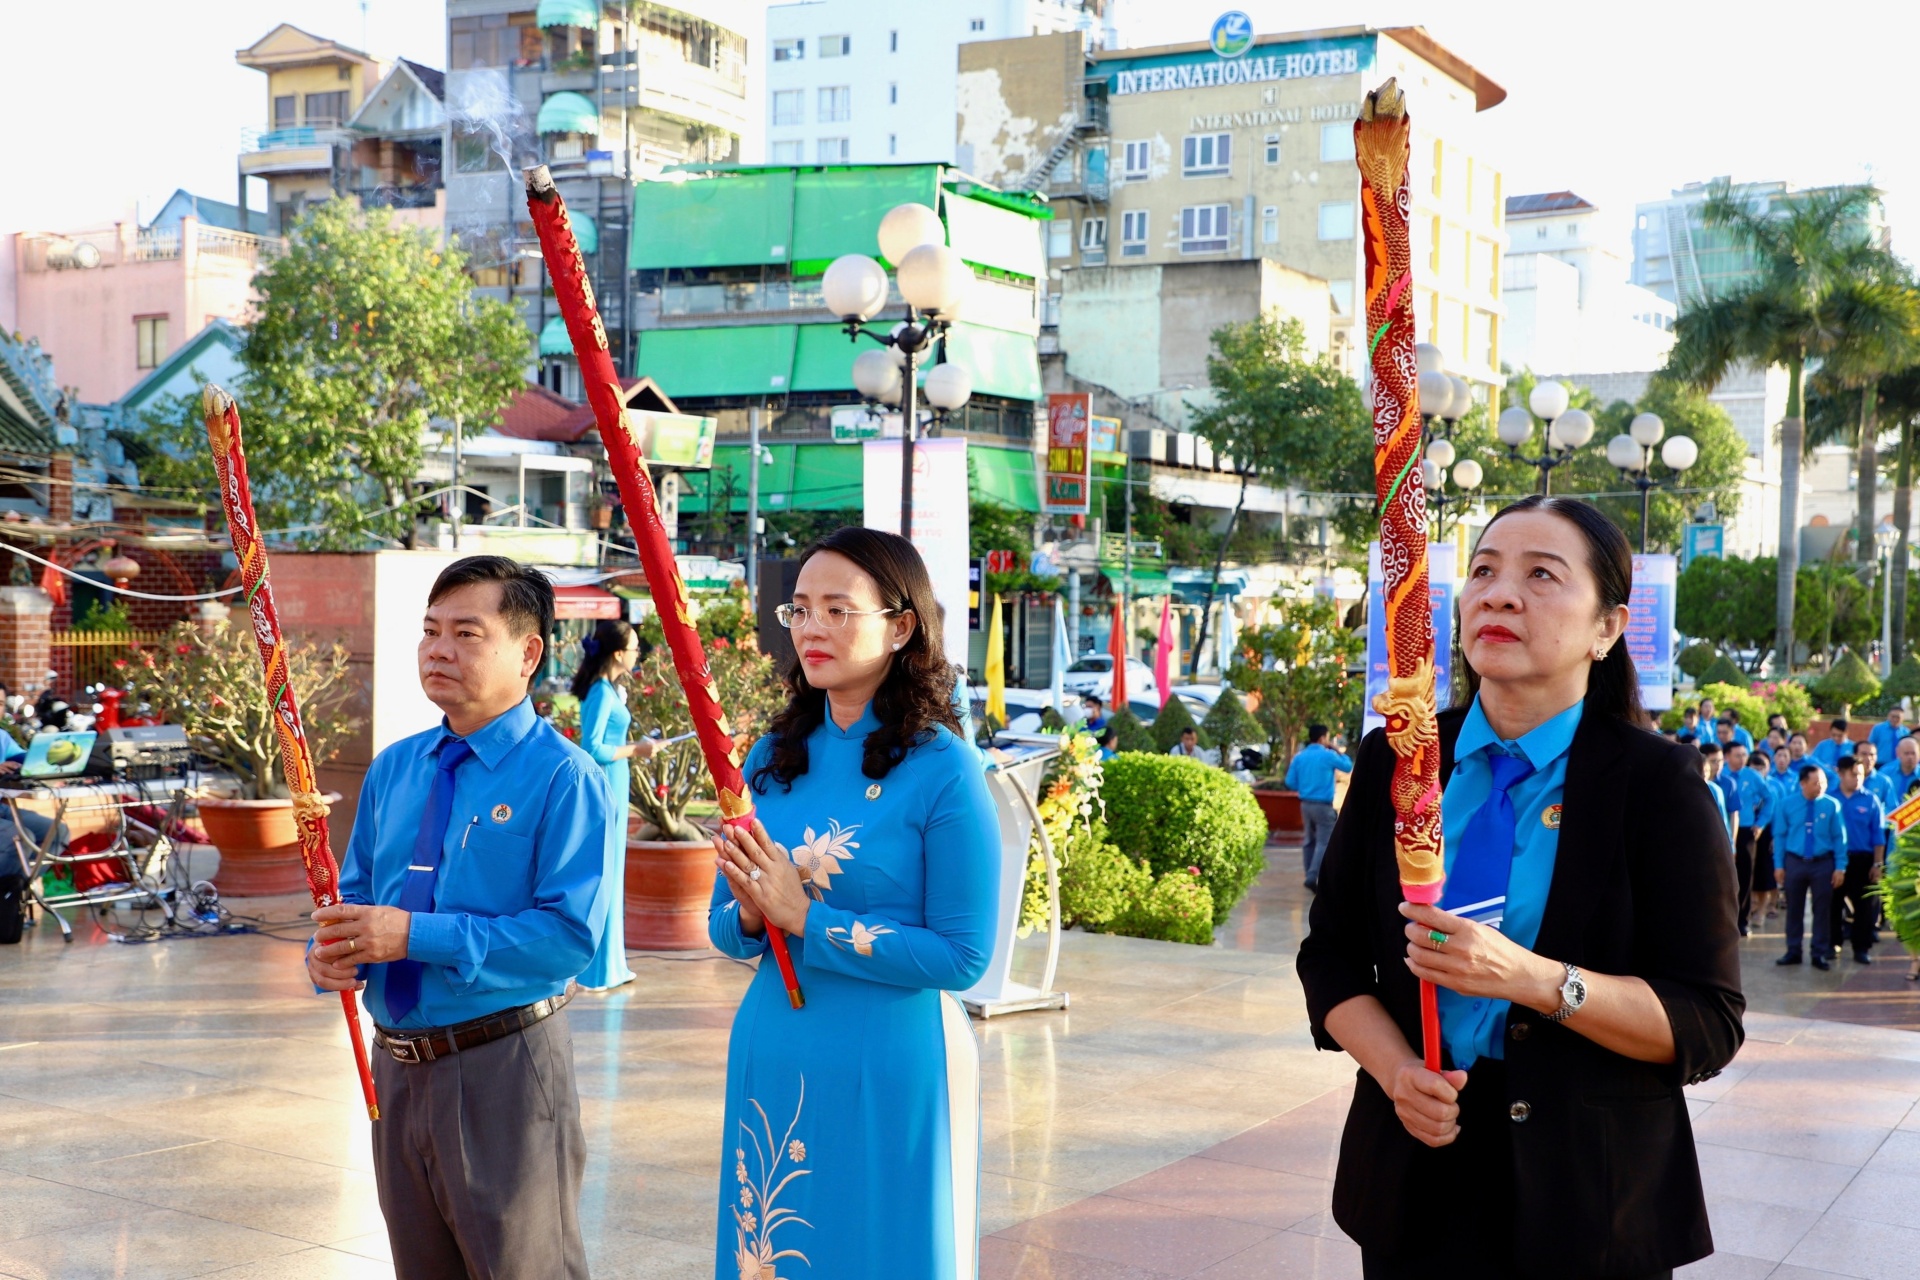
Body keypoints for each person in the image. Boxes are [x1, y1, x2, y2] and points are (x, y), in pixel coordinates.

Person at [1296, 496, 1743, 1279]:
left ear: (1607, 627)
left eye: (1542, 575)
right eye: (1484, 572)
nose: (1500, 594)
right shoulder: (1398, 762)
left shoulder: (1657, 784)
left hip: (1591, 1192)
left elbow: (1705, 1021)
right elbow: (1329, 957)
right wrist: (1398, 1070)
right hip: (1415, 1167)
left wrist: (1534, 980)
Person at [306, 555, 612, 1278]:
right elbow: (353, 903)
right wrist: (332, 954)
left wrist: (413, 935)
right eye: (430, 631)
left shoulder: (565, 778)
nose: (439, 651)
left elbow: (569, 939)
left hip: (502, 1064)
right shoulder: (396, 767)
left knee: (522, 1267)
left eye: (467, 633)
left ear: (528, 652)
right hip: (398, 1067)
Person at [708, 527, 1000, 1280]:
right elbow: (726, 929)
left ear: (901, 626)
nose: (811, 628)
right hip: (776, 1047)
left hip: (896, 1060)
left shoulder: (945, 768)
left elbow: (964, 956)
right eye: (800, 610)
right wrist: (749, 907)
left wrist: (807, 918)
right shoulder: (770, 760)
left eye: (838, 610)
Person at [570, 618, 661, 992]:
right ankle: (599, 969)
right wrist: (635, 749)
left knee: (614, 870)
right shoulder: (602, 694)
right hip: (607, 783)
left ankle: (612, 964)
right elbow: (591, 748)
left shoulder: (609, 689)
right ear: (619, 653)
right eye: (636, 648)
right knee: (607, 871)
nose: (638, 654)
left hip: (617, 780)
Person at [1772, 764, 1847, 970]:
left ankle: (1819, 952)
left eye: (1823, 782)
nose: (1820, 786)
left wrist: (1840, 866)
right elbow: (1780, 836)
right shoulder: (1786, 804)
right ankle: (1793, 950)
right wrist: (1778, 865)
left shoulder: (1832, 805)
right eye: (1815, 783)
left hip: (1823, 863)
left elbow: (1839, 837)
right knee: (1794, 908)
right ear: (1803, 783)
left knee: (1822, 909)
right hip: (1795, 861)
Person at [1830, 755, 1886, 964]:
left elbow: (1878, 835)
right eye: (1853, 774)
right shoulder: (1830, 797)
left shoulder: (1870, 799)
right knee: (1833, 904)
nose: (1858, 778)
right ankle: (1832, 944)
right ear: (1841, 774)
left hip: (1862, 860)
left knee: (1864, 907)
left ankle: (1860, 948)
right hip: (1835, 859)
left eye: (1861, 775)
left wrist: (1877, 863)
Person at [1285, 723, 1352, 891]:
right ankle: (1313, 876)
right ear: (1323, 738)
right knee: (1323, 841)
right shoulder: (1328, 755)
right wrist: (1337, 749)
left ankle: (1309, 872)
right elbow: (1347, 766)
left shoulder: (1300, 757)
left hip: (1305, 805)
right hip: (1323, 805)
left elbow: (1290, 782)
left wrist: (1306, 787)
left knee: (1309, 841)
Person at [1725, 743, 1764, 935]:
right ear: (1727, 757)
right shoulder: (1722, 776)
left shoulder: (1752, 775)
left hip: (1747, 830)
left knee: (1745, 874)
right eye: (1737, 755)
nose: (1742, 759)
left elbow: (1769, 798)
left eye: (1744, 755)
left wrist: (1761, 822)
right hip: (1724, 831)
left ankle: (1743, 919)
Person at [1746, 749, 1779, 928]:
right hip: (1748, 831)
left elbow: (1779, 813)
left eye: (1762, 767)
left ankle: (1762, 911)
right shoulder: (1745, 783)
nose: (1758, 770)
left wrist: (1776, 836)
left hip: (1767, 833)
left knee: (1764, 874)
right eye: (1754, 766)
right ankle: (1750, 907)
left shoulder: (1774, 787)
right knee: (1748, 871)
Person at [1699, 740, 1740, 852]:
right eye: (1713, 761)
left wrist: (1731, 844)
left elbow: (1730, 816)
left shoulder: (1725, 785)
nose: (1718, 765)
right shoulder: (1692, 785)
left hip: (1718, 838)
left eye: (1721, 760)